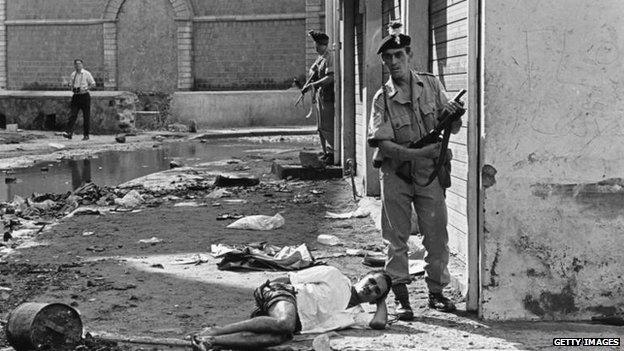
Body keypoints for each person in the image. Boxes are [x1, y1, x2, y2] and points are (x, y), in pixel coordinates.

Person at [367, 22, 465, 321]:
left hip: (429, 174)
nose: (394, 62)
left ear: (408, 55)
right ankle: (401, 298)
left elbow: (456, 127)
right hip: (396, 173)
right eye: (388, 58)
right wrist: (417, 152)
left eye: (398, 55)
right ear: (383, 62)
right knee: (396, 238)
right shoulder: (381, 98)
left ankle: (436, 292)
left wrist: (453, 116)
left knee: (436, 235)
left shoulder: (432, 85)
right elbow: (383, 144)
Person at [191, 266, 391, 350]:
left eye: (376, 290)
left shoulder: (355, 315)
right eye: (371, 280)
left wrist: (383, 297)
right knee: (284, 323)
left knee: (277, 338)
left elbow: (379, 322)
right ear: (362, 276)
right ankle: (214, 329)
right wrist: (265, 294)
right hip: (286, 295)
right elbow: (292, 277)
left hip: (297, 324)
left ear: (375, 300)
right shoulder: (334, 275)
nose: (370, 288)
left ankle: (212, 341)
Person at [303, 30, 335, 164]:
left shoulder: (329, 57)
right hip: (320, 96)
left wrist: (313, 85)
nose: (315, 48)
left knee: (328, 126)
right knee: (320, 127)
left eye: (317, 45)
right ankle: (326, 152)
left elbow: (330, 77)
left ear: (324, 45)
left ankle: (332, 153)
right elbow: (313, 71)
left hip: (328, 96)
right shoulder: (320, 58)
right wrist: (310, 80)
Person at [64, 59, 96, 140]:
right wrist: (70, 87)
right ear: (74, 65)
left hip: (85, 96)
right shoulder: (73, 74)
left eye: (79, 64)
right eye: (76, 64)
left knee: (86, 116)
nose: (78, 66)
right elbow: (70, 83)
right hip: (76, 96)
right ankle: (69, 133)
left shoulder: (86, 73)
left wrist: (86, 89)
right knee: (72, 115)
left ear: (82, 65)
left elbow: (93, 84)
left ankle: (86, 135)